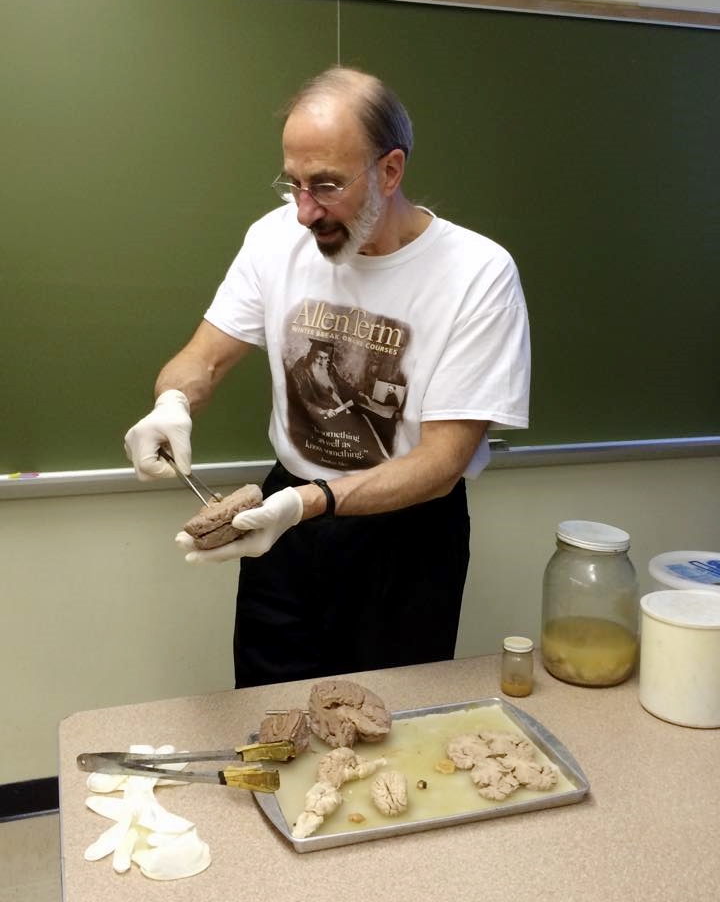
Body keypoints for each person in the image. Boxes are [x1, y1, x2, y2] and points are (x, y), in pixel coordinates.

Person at [124, 66, 531, 688]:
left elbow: (444, 459)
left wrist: (308, 505)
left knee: (389, 727)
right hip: (286, 524)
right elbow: (204, 356)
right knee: (271, 715)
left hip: (407, 536)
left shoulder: (477, 272)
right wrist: (172, 401)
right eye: (293, 185)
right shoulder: (271, 238)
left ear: (391, 170)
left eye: (327, 186)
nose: (305, 211)